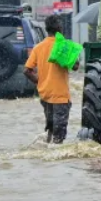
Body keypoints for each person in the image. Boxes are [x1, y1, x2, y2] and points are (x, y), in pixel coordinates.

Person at [25, 15, 79, 144]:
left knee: (50, 128)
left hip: (45, 95)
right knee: (59, 136)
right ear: (59, 28)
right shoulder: (64, 46)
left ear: (47, 29)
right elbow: (76, 66)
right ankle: (56, 161)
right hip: (60, 96)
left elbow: (27, 70)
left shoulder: (38, 47)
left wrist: (39, 82)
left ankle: (46, 153)